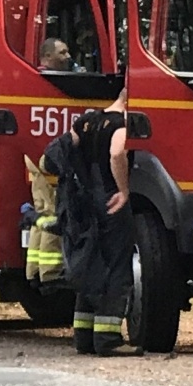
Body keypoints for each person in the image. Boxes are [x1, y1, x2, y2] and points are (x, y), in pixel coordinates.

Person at [52, 90, 137, 354]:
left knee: (91, 265)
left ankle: (84, 337)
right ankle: (108, 339)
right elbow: (116, 153)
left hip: (85, 201)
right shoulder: (121, 124)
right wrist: (123, 190)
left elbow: (64, 147)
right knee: (115, 267)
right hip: (110, 201)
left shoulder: (88, 120)